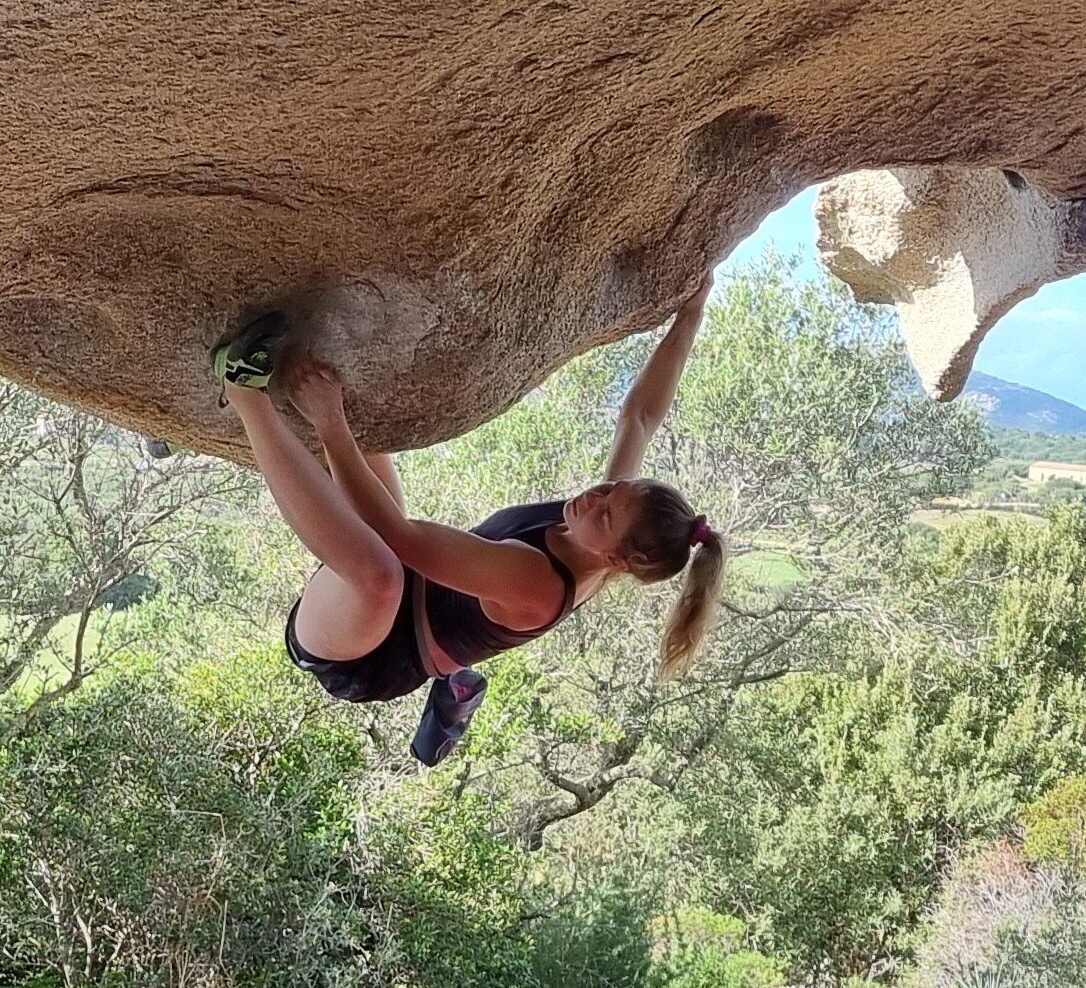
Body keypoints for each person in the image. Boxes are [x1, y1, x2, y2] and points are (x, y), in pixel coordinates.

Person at [218, 283, 727, 763]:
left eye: (609, 511)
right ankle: (204, 424)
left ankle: (240, 391)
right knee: (370, 432)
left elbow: (400, 535)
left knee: (380, 566)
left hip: (367, 651)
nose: (598, 495)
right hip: (403, 577)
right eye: (616, 487)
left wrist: (331, 426)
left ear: (615, 559)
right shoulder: (594, 527)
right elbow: (639, 418)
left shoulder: (538, 585)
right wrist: (691, 314)